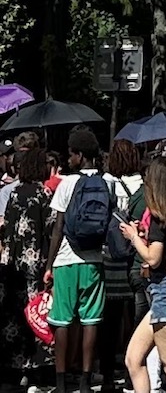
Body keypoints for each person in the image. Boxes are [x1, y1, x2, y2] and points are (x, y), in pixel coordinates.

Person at [119, 157, 166, 393]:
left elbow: (153, 258)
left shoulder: (158, 216)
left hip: (165, 295)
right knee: (134, 358)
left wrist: (133, 236)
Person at [45, 127, 106, 393]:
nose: (68, 160)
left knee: (62, 320)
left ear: (80, 155)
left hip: (67, 260)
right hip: (94, 261)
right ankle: (85, 379)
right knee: (90, 320)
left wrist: (48, 266)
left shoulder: (67, 183)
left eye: (71, 155)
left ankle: (60, 382)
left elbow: (58, 228)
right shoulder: (108, 183)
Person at [1, 147, 53, 391]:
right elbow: (50, 231)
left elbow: (8, 230)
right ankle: (36, 369)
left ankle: (15, 367)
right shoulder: (44, 194)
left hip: (14, 264)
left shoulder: (14, 194)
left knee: (16, 315)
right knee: (37, 314)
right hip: (36, 263)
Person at [100, 139, 146, 393]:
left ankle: (107, 374)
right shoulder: (143, 186)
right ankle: (133, 369)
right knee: (135, 319)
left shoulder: (106, 184)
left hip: (110, 258)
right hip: (135, 256)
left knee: (110, 318)